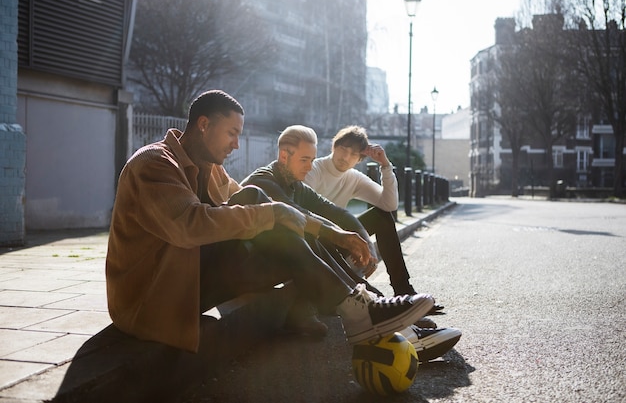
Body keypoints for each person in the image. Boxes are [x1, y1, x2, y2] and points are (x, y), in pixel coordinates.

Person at [105, 90, 435, 353]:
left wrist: (338, 234)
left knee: (279, 220)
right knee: (258, 201)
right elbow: (189, 225)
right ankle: (365, 311)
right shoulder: (154, 163)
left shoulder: (212, 169)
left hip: (190, 276)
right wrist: (278, 215)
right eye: (232, 133)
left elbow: (288, 213)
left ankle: (375, 313)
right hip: (153, 296)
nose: (237, 143)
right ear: (204, 124)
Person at [241, 125, 461, 361]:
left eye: (312, 160)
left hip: (287, 259)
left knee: (317, 236)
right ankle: (374, 314)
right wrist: (339, 236)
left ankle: (384, 315)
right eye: (305, 160)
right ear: (284, 156)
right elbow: (300, 216)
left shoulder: (296, 183)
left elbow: (334, 212)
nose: (309, 167)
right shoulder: (263, 182)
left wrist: (362, 240)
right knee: (308, 234)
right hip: (250, 269)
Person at [304, 126, 443, 313]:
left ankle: (403, 289)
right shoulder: (314, 169)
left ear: (360, 159)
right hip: (315, 244)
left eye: (353, 154)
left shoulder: (353, 178)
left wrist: (385, 166)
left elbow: (389, 204)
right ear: (334, 146)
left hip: (339, 241)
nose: (345, 157)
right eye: (343, 149)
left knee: (382, 217)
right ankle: (387, 308)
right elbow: (304, 210)